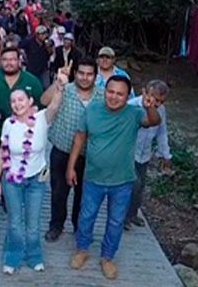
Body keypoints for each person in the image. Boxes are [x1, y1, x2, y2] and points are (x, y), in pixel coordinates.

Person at [67, 76, 161, 280]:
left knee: (116, 221)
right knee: (86, 216)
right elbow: (79, 138)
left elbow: (154, 121)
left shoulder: (134, 114)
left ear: (128, 97)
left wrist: (150, 107)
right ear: (104, 91)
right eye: (111, 91)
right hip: (93, 178)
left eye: (120, 94)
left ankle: (107, 257)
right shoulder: (92, 110)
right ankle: (82, 249)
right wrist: (71, 167)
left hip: (122, 181)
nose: (114, 97)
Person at [0, 67, 67, 274]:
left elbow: (55, 104)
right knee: (15, 223)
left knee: (33, 224)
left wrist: (60, 85)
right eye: (13, 101)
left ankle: (34, 256)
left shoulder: (43, 119)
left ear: (30, 102)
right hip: (12, 180)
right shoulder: (8, 124)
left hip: (36, 180)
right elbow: (3, 150)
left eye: (21, 100)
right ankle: (12, 256)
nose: (17, 104)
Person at [41, 58, 99, 242]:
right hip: (62, 149)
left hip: (89, 155)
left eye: (89, 74)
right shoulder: (66, 89)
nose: (84, 77)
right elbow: (44, 100)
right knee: (59, 191)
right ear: (75, 73)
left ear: (95, 77)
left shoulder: (103, 95)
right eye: (81, 73)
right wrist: (58, 83)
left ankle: (78, 226)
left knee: (84, 194)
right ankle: (56, 225)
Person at [125, 80, 172, 230]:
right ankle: (123, 217)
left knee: (140, 187)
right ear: (145, 92)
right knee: (133, 185)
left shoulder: (161, 110)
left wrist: (165, 154)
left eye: (160, 101)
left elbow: (161, 132)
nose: (157, 103)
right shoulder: (132, 106)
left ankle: (132, 214)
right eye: (155, 99)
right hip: (128, 153)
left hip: (144, 154)